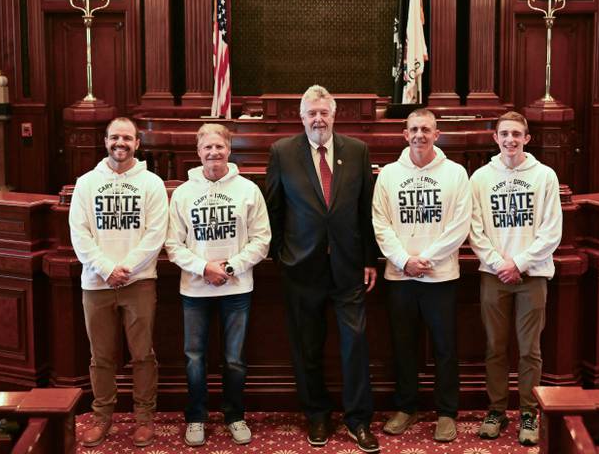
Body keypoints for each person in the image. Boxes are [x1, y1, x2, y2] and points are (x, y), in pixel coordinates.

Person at [265, 85, 380, 453]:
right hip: (302, 267)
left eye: (324, 113)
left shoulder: (357, 151)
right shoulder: (282, 152)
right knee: (307, 346)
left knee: (355, 344)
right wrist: (280, 255)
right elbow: (274, 209)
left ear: (334, 116)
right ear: (302, 118)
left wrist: (369, 259)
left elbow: (366, 210)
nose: (318, 119)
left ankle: (358, 419)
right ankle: (317, 413)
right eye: (311, 113)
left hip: (349, 267)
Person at [165, 123, 271, 448]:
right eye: (207, 148)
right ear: (198, 152)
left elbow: (262, 239)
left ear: (229, 149)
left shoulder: (248, 190)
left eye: (219, 147)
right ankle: (196, 417)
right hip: (195, 290)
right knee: (194, 357)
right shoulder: (183, 193)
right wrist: (203, 268)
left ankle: (234, 415)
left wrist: (228, 267)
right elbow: (173, 244)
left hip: (237, 289)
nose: (214, 153)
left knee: (234, 358)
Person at [372, 108, 471, 443]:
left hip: (440, 276)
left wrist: (424, 259)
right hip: (400, 277)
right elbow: (380, 223)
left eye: (426, 129)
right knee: (403, 346)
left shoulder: (456, 173)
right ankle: (406, 407)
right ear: (405, 134)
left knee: (445, 347)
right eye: (413, 129)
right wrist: (403, 260)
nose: (419, 135)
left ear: (436, 134)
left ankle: (447, 412)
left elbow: (460, 225)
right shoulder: (388, 174)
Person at [69, 117, 168, 448]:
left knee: (142, 355)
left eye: (127, 138)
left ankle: (144, 419)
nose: (120, 143)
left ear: (137, 143)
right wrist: (105, 268)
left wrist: (124, 268)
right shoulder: (85, 183)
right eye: (114, 137)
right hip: (96, 284)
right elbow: (79, 233)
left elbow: (156, 235)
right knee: (101, 357)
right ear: (105, 141)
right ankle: (102, 418)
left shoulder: (152, 184)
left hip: (139, 283)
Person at [469, 111, 562, 446]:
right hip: (494, 275)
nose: (510, 140)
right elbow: (475, 229)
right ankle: (496, 410)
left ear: (527, 138)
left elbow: (552, 231)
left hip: (532, 274)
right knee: (495, 347)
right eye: (504, 134)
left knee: (529, 350)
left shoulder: (545, 176)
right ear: (495, 138)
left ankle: (527, 413)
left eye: (516, 134)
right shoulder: (480, 178)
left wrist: (519, 263)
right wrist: (498, 264)